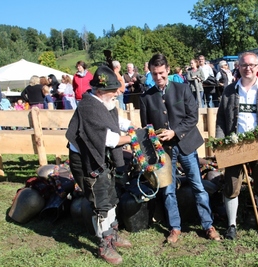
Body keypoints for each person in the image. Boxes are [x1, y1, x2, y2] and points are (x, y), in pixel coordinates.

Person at [139, 54, 221, 244]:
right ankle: (175, 227)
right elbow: (147, 126)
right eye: (154, 74)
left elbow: (192, 117)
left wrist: (174, 132)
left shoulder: (183, 89)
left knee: (198, 186)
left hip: (186, 145)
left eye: (161, 73)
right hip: (163, 151)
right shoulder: (145, 97)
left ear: (168, 70)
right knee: (168, 190)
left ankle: (208, 225)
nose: (158, 77)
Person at [66, 65, 133, 265]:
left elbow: (115, 120)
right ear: (101, 91)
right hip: (87, 160)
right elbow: (109, 139)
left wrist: (130, 126)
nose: (117, 95)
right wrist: (132, 137)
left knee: (111, 196)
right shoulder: (88, 107)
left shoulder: (104, 103)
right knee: (101, 202)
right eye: (114, 92)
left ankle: (112, 234)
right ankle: (104, 245)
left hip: (100, 156)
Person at [215, 52, 258, 241]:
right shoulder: (229, 90)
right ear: (238, 67)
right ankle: (231, 226)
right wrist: (221, 141)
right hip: (234, 145)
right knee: (232, 184)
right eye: (244, 65)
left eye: (252, 65)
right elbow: (221, 118)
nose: (248, 69)